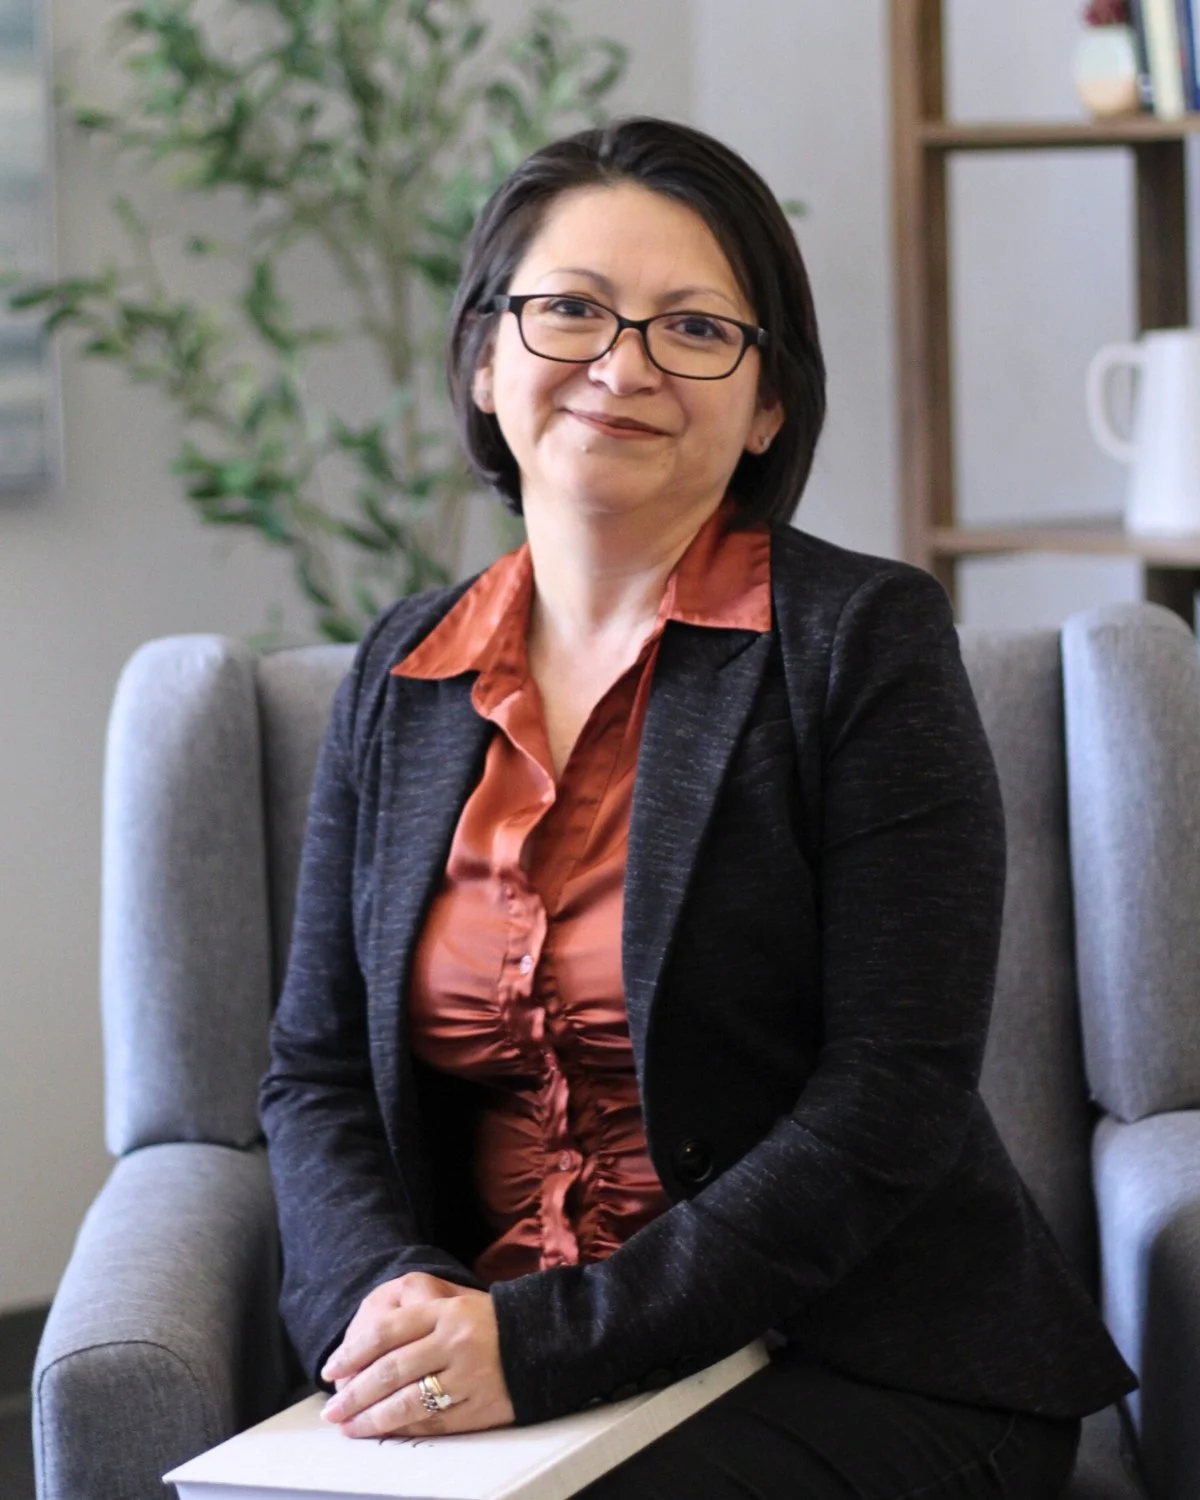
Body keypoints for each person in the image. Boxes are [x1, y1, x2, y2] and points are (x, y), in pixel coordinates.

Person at [259, 116, 1136, 1498]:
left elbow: (893, 1095)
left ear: (768, 404)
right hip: (489, 1365)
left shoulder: (862, 642)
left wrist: (546, 1345)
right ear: (485, 357)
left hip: (853, 1359)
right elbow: (315, 1074)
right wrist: (389, 1308)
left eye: (695, 329)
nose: (624, 366)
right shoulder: (403, 673)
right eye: (571, 310)